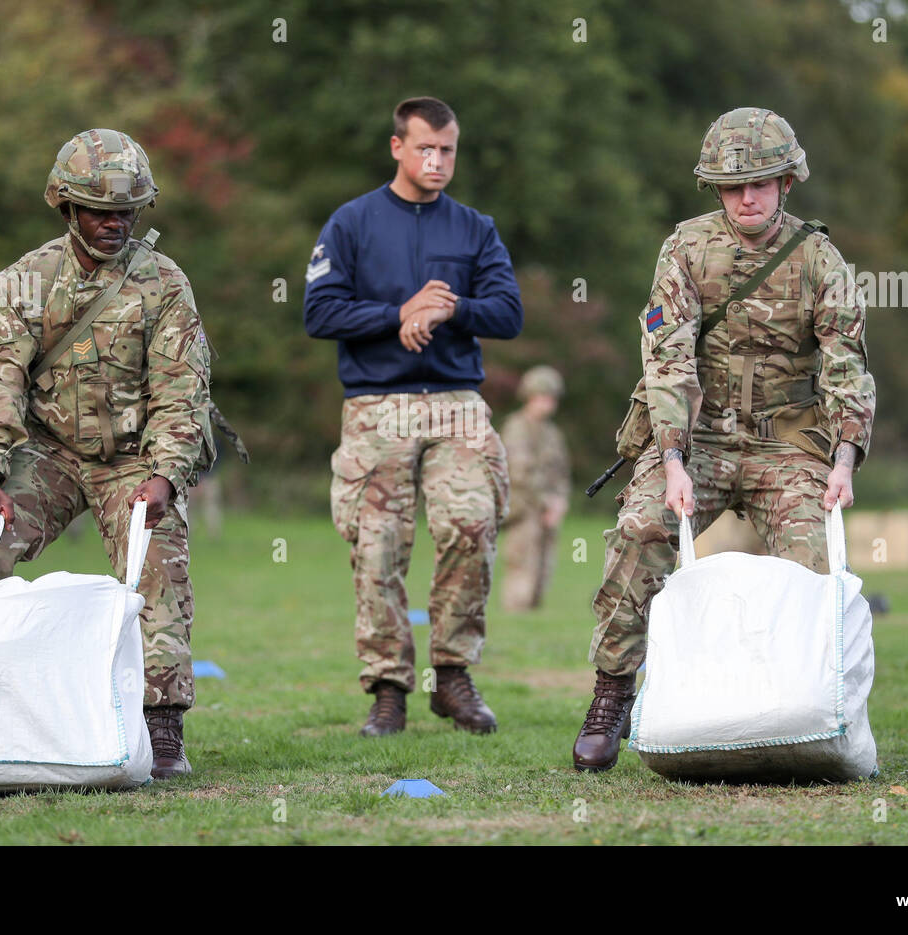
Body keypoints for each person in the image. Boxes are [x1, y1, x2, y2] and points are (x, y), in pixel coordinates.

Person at [572, 107, 876, 771]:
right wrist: (673, 457)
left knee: (814, 572)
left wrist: (845, 456)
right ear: (713, 189)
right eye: (733, 185)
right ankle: (612, 691)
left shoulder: (820, 259)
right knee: (644, 525)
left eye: (761, 183)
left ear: (787, 183)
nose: (747, 196)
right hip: (699, 435)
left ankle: (813, 710)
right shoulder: (684, 249)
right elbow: (668, 354)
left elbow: (845, 360)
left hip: (784, 440)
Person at [0, 128, 227, 779]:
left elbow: (182, 392)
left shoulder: (164, 284)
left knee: (159, 560)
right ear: (66, 207)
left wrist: (165, 477)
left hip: (132, 457)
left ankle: (162, 729)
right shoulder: (26, 282)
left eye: (127, 210)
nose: (115, 222)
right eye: (100, 210)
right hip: (46, 452)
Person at [304, 96, 523, 737]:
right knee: (378, 549)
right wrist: (397, 312)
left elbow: (508, 313)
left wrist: (450, 309)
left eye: (447, 149)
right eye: (424, 147)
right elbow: (319, 313)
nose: (436, 160)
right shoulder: (351, 223)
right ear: (397, 147)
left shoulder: (474, 227)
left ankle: (452, 676)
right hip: (378, 405)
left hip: (455, 403)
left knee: (471, 526)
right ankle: (389, 689)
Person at [500, 365, 571, 612]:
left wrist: (559, 501)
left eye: (551, 398)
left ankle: (532, 615)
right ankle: (516, 616)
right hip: (523, 510)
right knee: (522, 567)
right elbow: (520, 471)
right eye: (541, 397)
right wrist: (546, 502)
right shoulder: (516, 427)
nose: (547, 403)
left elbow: (561, 472)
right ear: (529, 396)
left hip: (547, 511)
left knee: (543, 567)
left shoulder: (552, 433)